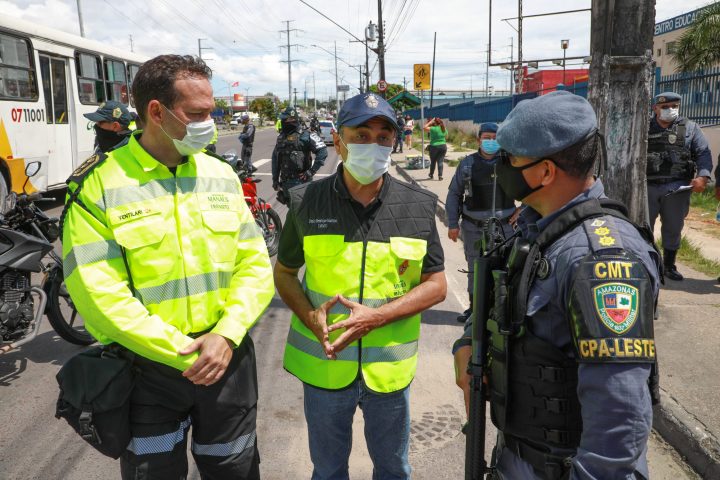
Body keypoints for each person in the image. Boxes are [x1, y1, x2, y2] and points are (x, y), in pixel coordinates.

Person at [62, 54, 274, 480]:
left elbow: (254, 263)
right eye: (197, 114)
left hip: (226, 360)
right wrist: (183, 354)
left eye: (211, 112)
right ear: (155, 112)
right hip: (147, 370)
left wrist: (227, 335)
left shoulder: (220, 175)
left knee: (235, 469)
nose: (209, 123)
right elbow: (97, 292)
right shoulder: (99, 185)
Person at [453, 90, 661, 479]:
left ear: (545, 172)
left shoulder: (600, 259)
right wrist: (468, 343)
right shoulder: (533, 227)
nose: (502, 167)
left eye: (511, 160)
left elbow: (620, 415)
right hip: (519, 456)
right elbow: (502, 301)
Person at [274, 92, 447, 480]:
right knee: (329, 470)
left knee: (393, 469)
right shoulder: (305, 202)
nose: (374, 144)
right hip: (325, 368)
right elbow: (284, 273)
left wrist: (378, 317)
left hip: (388, 373)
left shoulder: (417, 205)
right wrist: (308, 314)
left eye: (383, 137)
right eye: (361, 135)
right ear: (338, 140)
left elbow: (436, 284)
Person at [446, 122, 517, 323]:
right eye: (487, 138)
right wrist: (452, 224)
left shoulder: (510, 163)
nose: (491, 142)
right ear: (479, 140)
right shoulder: (467, 164)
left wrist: (523, 210)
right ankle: (474, 309)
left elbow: (533, 187)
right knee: (475, 269)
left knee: (506, 268)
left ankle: (502, 309)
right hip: (474, 229)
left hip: (505, 227)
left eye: (495, 138)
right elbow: (454, 195)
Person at [647, 91, 712, 281]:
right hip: (647, 186)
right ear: (655, 108)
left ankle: (668, 266)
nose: (670, 110)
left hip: (677, 187)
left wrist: (703, 176)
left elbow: (703, 154)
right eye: (665, 107)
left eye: (674, 106)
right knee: (643, 226)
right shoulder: (643, 127)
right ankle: (647, 263)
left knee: (673, 228)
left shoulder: (690, 128)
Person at [271, 106, 328, 205]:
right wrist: (275, 179)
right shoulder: (281, 137)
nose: (284, 122)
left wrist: (311, 172)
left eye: (286, 120)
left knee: (302, 216)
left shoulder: (306, 134)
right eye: (283, 120)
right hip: (285, 183)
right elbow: (275, 159)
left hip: (301, 184)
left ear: (293, 120)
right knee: (293, 214)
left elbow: (323, 152)